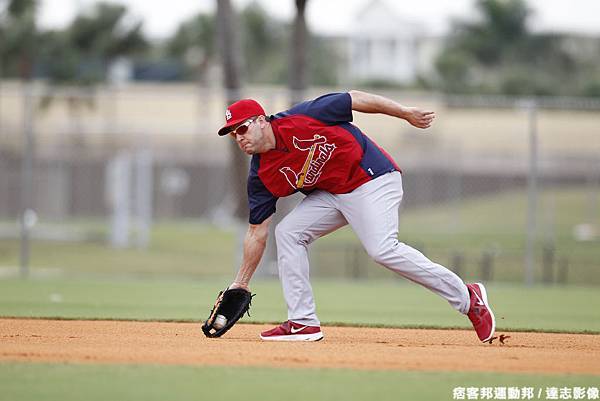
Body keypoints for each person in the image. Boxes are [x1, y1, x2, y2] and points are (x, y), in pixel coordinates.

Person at [217, 91, 495, 342]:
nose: (239, 137)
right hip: (333, 194)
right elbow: (257, 233)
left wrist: (405, 112)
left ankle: (468, 298)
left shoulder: (304, 115)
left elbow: (356, 99)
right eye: (233, 134)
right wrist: (241, 282)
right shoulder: (260, 177)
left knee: (382, 249)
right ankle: (303, 322)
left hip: (372, 177)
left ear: (262, 120)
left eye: (242, 128)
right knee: (287, 233)